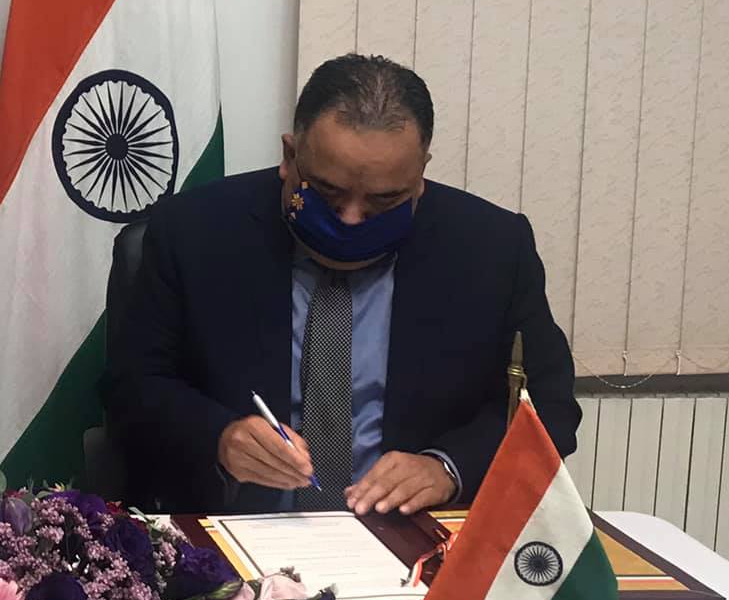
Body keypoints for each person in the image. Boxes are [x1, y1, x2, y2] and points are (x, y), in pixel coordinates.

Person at [103, 54, 580, 516]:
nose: (351, 219)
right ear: (290, 156)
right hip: (235, 529)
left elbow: (550, 405)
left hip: (411, 532)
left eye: (384, 199)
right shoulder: (195, 231)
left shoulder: (491, 248)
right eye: (328, 192)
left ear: (420, 175)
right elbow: (132, 388)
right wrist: (220, 438)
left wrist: (448, 468)